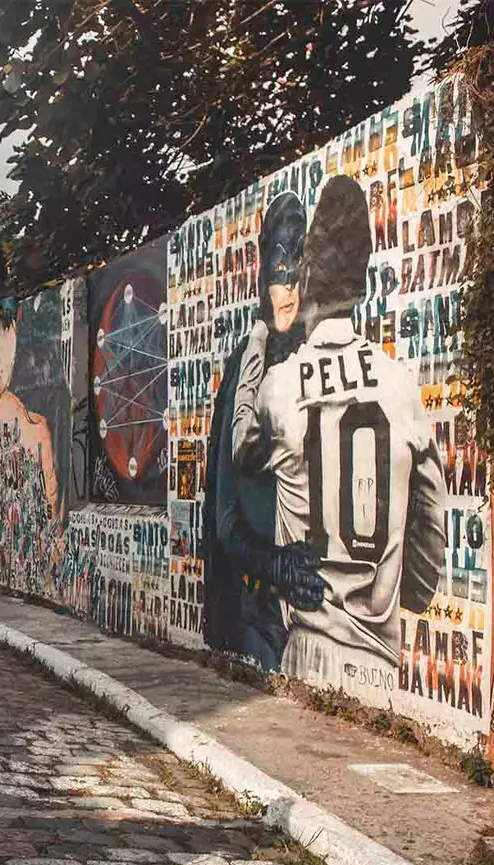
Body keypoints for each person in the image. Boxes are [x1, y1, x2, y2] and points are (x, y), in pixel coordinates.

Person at [234, 175, 446, 698]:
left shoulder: (281, 387)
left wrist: (257, 347)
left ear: (306, 277)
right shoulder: (401, 386)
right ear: (362, 280)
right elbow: (431, 536)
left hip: (309, 641)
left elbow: (242, 450)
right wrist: (397, 595)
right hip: (381, 661)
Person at [202, 191, 326, 668]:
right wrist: (277, 566)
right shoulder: (246, 369)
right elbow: (226, 521)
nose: (289, 290)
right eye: (279, 274)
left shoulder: (314, 357)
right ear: (262, 280)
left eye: (296, 273)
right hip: (251, 613)